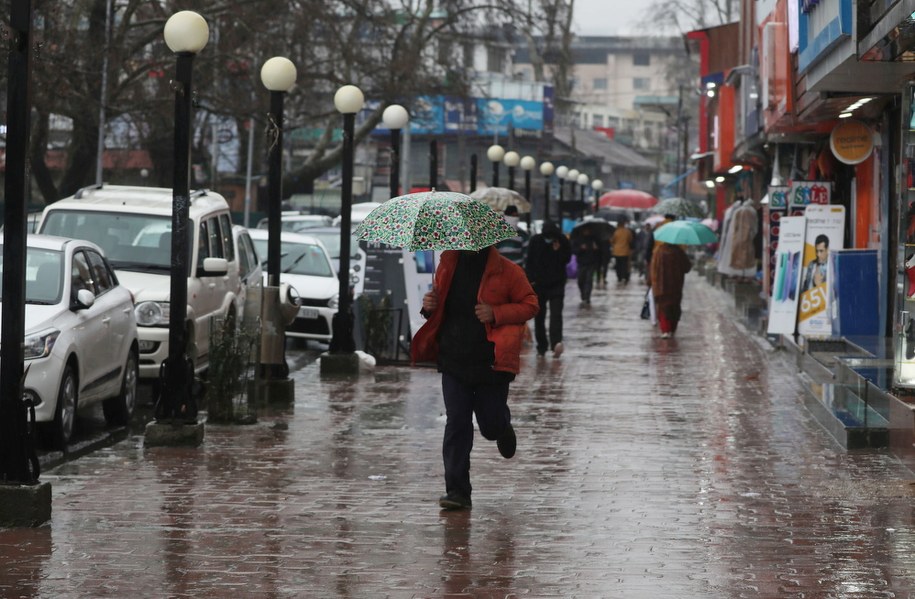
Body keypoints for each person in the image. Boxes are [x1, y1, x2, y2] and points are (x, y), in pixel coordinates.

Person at [412, 245, 539, 511]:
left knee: (490, 424)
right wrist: (429, 307)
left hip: (491, 362)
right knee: (457, 422)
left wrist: (496, 313)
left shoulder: (507, 271)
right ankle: (457, 491)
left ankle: (502, 425)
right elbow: (439, 307)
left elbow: (530, 305)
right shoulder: (447, 264)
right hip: (453, 358)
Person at [525, 220, 572, 358]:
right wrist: (530, 280)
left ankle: (556, 342)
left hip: (557, 284)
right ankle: (542, 346)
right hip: (539, 285)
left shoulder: (562, 241)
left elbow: (567, 260)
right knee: (539, 316)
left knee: (556, 315)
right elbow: (530, 262)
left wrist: (558, 251)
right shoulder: (536, 241)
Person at [649, 242, 692, 339]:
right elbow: (687, 267)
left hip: (661, 285)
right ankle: (672, 329)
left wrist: (651, 281)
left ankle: (665, 330)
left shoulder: (658, 251)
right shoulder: (679, 252)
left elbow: (653, 268)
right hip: (675, 285)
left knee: (663, 307)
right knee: (674, 307)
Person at [572, 225, 601, 305]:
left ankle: (587, 297)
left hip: (591, 263)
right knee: (580, 280)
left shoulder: (594, 239)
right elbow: (574, 251)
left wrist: (596, 249)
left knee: (589, 280)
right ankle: (583, 294)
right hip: (581, 263)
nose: (587, 231)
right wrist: (581, 248)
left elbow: (600, 252)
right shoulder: (578, 239)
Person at [610, 219, 635, 283]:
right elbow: (630, 240)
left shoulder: (616, 232)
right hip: (625, 251)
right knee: (624, 264)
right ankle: (624, 276)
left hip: (617, 251)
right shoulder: (628, 232)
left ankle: (619, 277)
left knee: (618, 265)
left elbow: (612, 241)